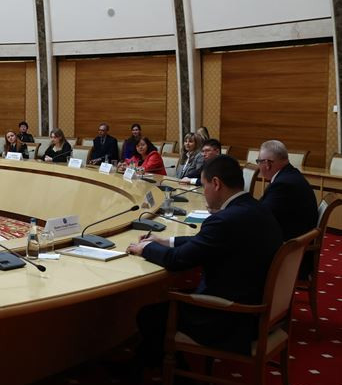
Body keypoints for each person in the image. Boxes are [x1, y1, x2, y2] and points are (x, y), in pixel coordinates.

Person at [127, 155, 283, 365]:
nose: (203, 192)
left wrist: (145, 248)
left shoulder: (224, 220)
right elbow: (207, 242)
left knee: (149, 315)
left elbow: (176, 261)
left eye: (204, 185)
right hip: (258, 308)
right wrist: (165, 241)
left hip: (231, 316)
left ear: (216, 183)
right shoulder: (256, 208)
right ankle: (149, 365)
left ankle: (176, 378)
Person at [257, 140, 318, 275]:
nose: (258, 166)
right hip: (293, 246)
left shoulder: (283, 185)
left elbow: (262, 216)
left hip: (291, 255)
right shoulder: (289, 175)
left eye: (258, 162)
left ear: (267, 164)